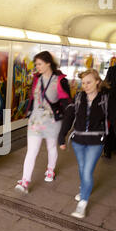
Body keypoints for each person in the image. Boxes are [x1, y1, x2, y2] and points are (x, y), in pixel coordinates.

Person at [59, 69, 116, 218]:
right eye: (83, 83)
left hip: (96, 141)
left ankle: (82, 203)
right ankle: (84, 189)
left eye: (89, 82)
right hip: (78, 141)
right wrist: (61, 136)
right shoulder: (78, 97)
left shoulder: (106, 99)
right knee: (82, 169)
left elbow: (115, 121)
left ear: (97, 82)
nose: (85, 86)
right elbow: (69, 117)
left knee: (87, 171)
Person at [15, 51, 71, 193]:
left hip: (52, 121)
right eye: (36, 64)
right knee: (31, 151)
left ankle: (50, 170)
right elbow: (33, 98)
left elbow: (67, 103)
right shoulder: (36, 79)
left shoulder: (60, 80)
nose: (37, 67)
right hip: (36, 120)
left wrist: (67, 123)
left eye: (39, 64)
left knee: (51, 147)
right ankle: (25, 181)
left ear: (48, 63)